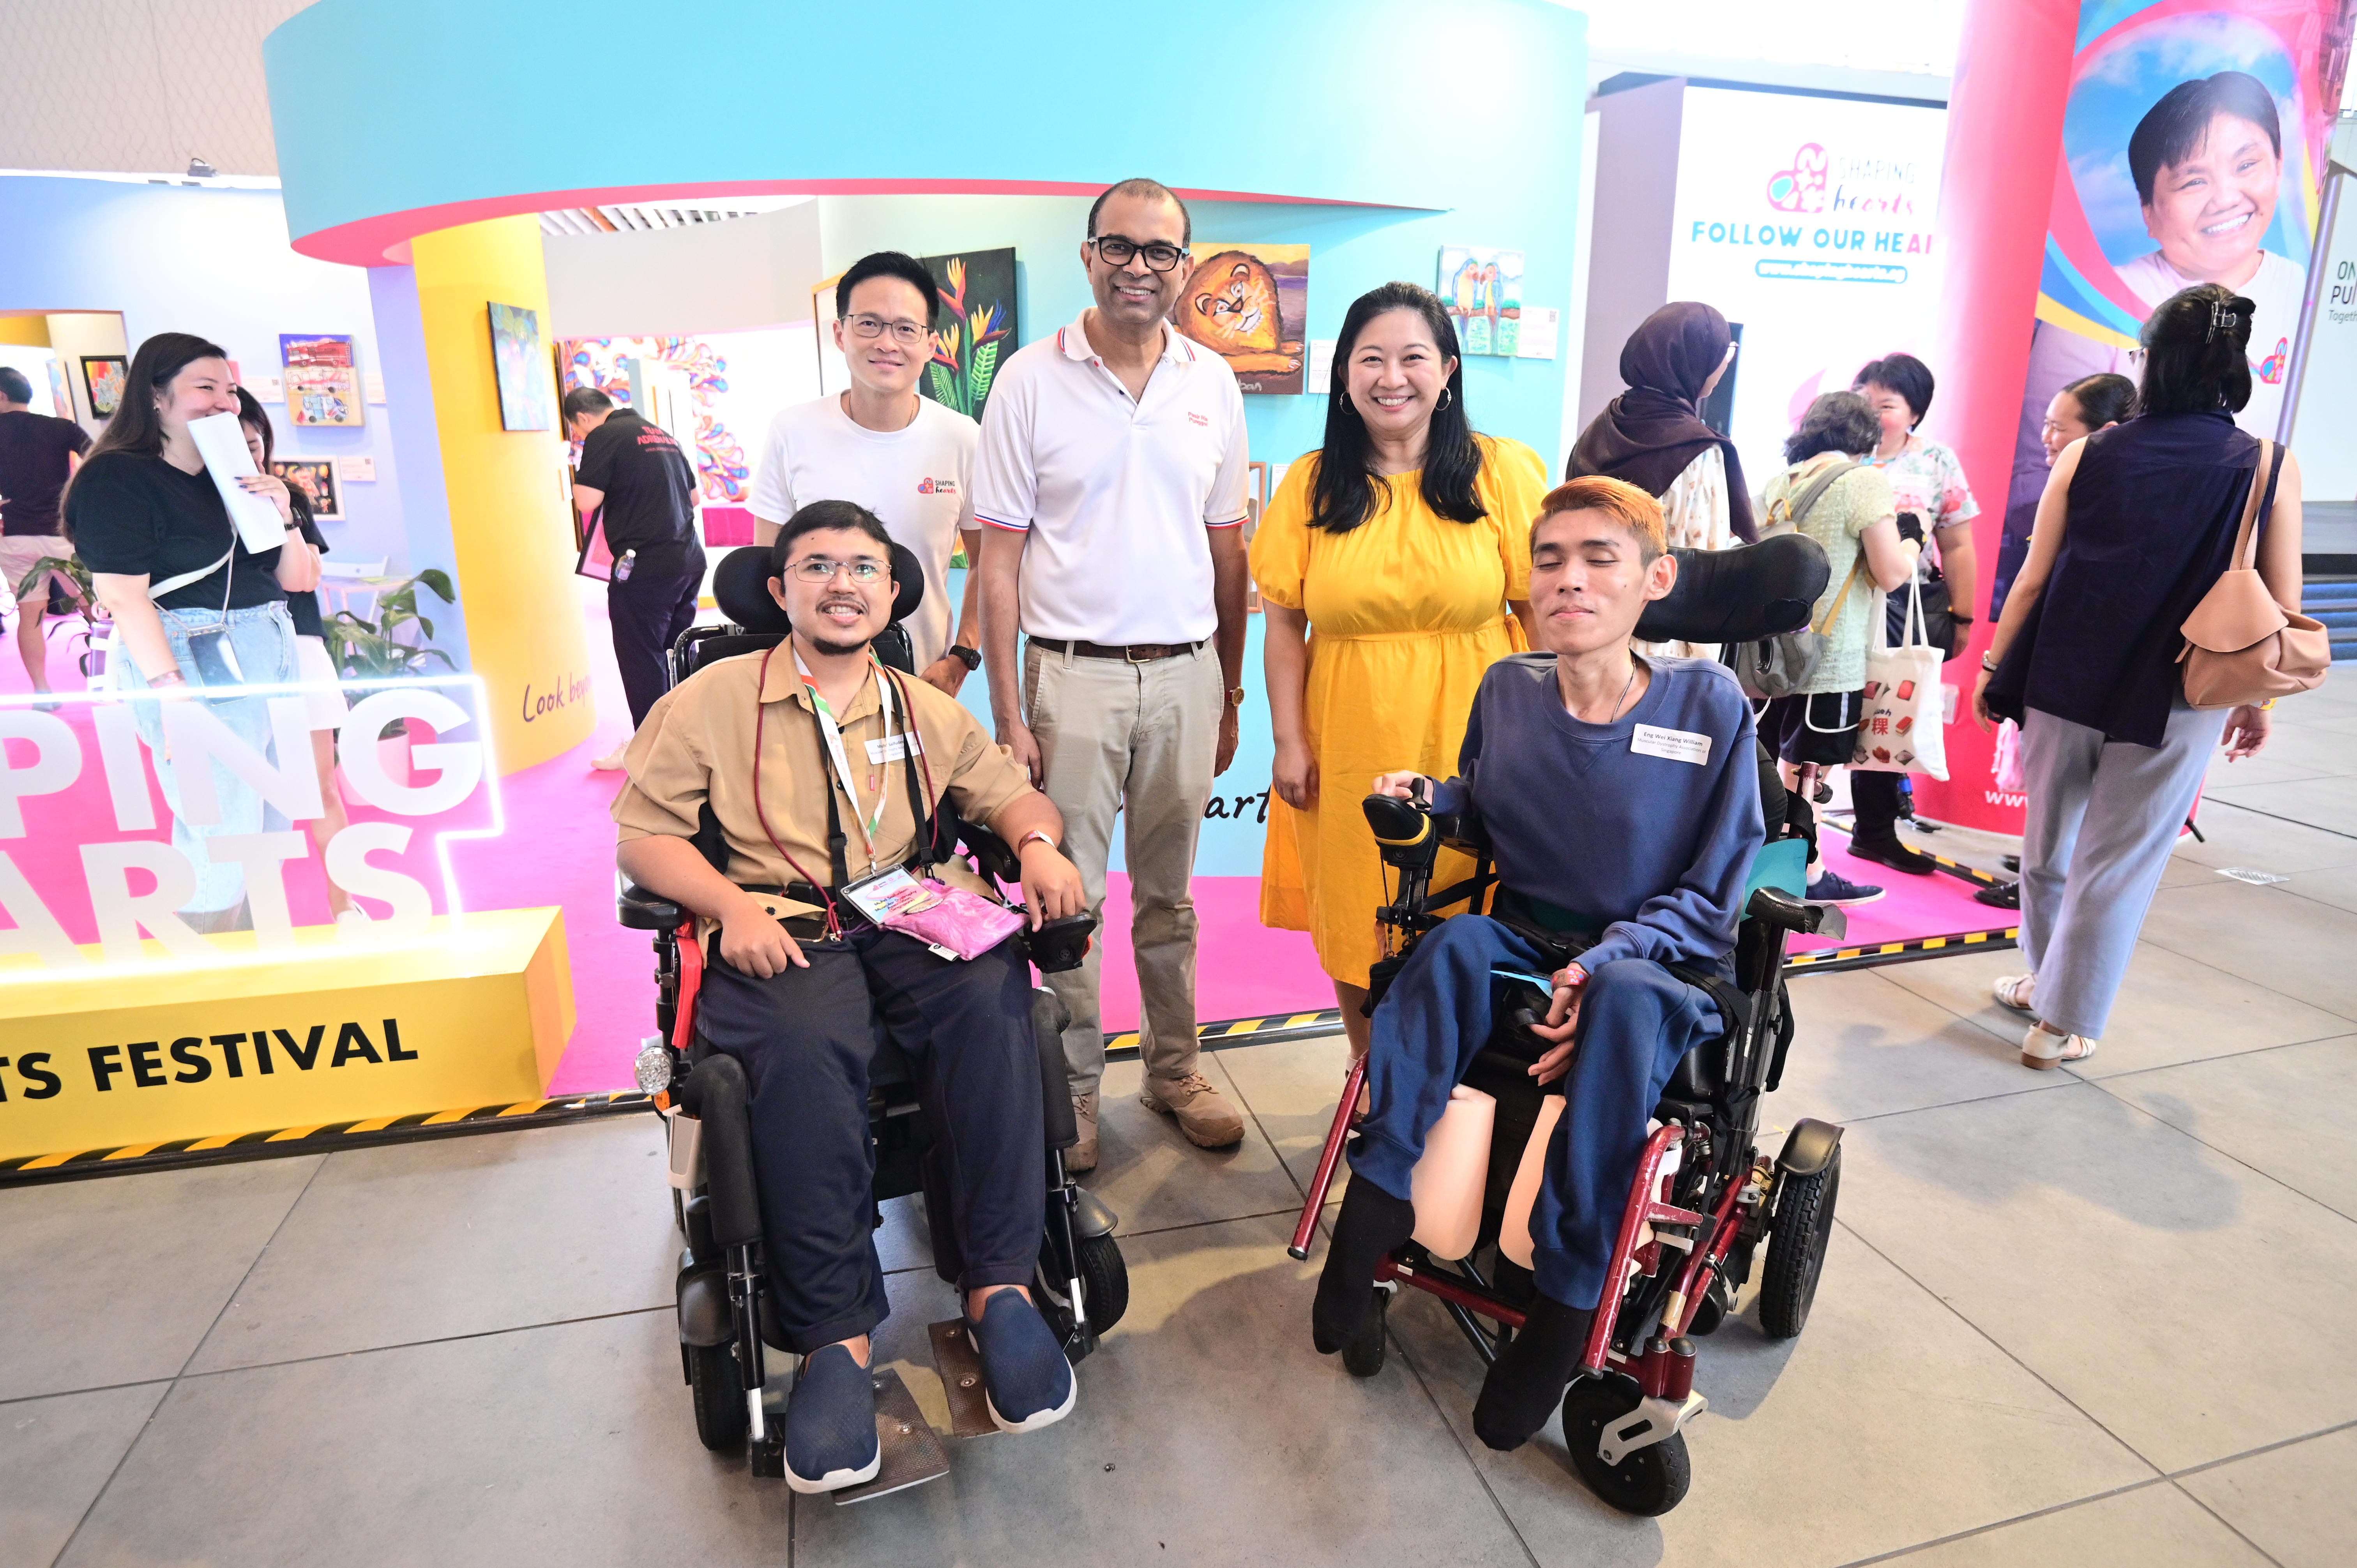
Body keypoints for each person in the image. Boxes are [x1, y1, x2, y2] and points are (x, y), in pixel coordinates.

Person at [613, 499, 1090, 1492]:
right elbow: (644, 837)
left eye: (864, 567)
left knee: (996, 993)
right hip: (781, 922)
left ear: (890, 591)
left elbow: (1007, 795)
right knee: (796, 1045)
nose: (842, 583)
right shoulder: (710, 698)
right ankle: (836, 1337)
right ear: (778, 587)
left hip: (907, 908)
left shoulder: (922, 705)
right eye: (818, 565)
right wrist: (725, 903)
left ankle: (1000, 1283)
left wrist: (1037, 840)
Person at [1308, 476, 1764, 1453]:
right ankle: (1379, 1193)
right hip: (1527, 936)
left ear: (1656, 578)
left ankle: (1567, 1285)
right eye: (1551, 558)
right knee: (1451, 943)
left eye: (1601, 558)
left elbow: (1717, 887)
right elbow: (1481, 808)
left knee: (1630, 1001)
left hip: (1660, 955)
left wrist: (1605, 961)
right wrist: (1428, 794)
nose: (1570, 578)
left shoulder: (1708, 700)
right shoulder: (1509, 687)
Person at [974, 177, 1252, 1170]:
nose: (1140, 267)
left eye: (1161, 252)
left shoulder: (1209, 382)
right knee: (1070, 899)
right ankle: (1079, 1091)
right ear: (1087, 254)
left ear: (1186, 265)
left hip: (1186, 674)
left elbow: (1230, 551)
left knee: (1173, 895)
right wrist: (1008, 713)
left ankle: (1174, 1067)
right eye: (1120, 247)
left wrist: (1231, 687)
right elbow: (997, 561)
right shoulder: (1027, 380)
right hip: (1071, 675)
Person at [1977, 285, 2301, 1069]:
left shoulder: (2092, 452)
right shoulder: (2266, 464)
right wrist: (2257, 697)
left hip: (2064, 676)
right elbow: (2280, 604)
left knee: (2050, 848)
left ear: (2152, 361)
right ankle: (2061, 1016)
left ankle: (2047, 981)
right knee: (2117, 862)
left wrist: (1996, 666)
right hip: (2180, 694)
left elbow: (2031, 578)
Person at [1254, 281, 1544, 1064]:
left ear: (1447, 369)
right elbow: (1284, 623)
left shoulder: (1501, 474)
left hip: (1477, 737)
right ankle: (1374, 1076)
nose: (1392, 376)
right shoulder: (1313, 484)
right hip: (1349, 735)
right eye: (1370, 358)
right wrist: (1288, 741)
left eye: (1413, 357)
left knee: (1471, 910)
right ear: (1344, 375)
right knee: (1362, 917)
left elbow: (1543, 616)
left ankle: (1460, 1087)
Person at [67, 333, 320, 933]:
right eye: (203, 388)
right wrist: (172, 693)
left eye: (229, 390)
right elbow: (124, 597)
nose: (223, 403)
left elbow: (293, 577)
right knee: (219, 826)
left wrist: (281, 510)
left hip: (270, 653)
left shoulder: (228, 473)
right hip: (194, 658)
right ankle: (205, 972)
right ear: (155, 397)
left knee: (268, 823)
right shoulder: (118, 479)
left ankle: (254, 959)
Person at [751, 250, 983, 695]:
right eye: (869, 324)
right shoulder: (792, 431)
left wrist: (961, 657)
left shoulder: (962, 439)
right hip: (809, 684)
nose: (887, 343)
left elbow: (985, 562)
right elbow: (767, 566)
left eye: (906, 329)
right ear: (840, 333)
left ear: (931, 344)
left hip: (922, 683)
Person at [1755, 392, 1921, 906]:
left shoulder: (1780, 484)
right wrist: (1914, 542)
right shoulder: (1863, 482)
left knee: (1779, 762)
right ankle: (1807, 873)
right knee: (1811, 773)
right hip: (1832, 660)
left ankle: (1771, 863)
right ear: (1864, 439)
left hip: (1776, 655)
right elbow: (1892, 572)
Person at [1846, 354, 1978, 875]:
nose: (1874, 414)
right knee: (1823, 716)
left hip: (1907, 603)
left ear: (1914, 413)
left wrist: (1963, 617)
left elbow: (1959, 544)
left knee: (1885, 715)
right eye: (1864, 401)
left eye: (1888, 405)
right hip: (1843, 600)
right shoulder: (1836, 455)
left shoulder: (1936, 461)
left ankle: (1874, 833)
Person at [237, 388, 362, 926]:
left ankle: (345, 904)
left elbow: (306, 579)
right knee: (241, 793)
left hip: (298, 646)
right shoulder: (186, 504)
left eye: (255, 444)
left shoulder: (288, 496)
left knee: (320, 784)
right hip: (228, 659)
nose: (251, 458)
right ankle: (249, 916)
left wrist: (284, 511)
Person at [1566, 302, 1753, 660]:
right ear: (1695, 360)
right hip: (1661, 649)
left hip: (1591, 628)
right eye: (1723, 352)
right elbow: (1703, 573)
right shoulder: (1696, 449)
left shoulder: (1601, 428)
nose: (1726, 362)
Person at [567, 385, 706, 770]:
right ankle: (682, 740)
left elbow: (586, 501)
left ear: (581, 418)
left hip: (645, 564)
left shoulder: (603, 436)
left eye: (576, 432)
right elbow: (695, 497)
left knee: (640, 656)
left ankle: (650, 752)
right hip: (689, 558)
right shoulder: (659, 433)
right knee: (670, 652)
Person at [0, 364, 93, 696]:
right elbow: (99, 462)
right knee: (92, 606)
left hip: (15, 537)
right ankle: (109, 677)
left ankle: (42, 690)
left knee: (30, 618)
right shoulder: (61, 428)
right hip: (63, 536)